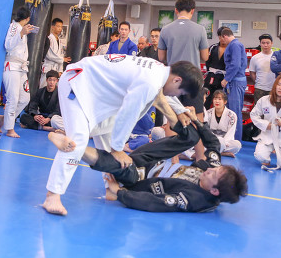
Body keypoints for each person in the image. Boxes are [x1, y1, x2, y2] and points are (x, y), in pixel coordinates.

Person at [42, 55, 203, 216]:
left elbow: (160, 94)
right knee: (79, 139)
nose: (176, 95)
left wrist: (180, 110)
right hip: (77, 83)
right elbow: (127, 115)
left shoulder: (159, 72)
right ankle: (52, 195)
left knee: (106, 139)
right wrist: (117, 149)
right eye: (180, 92)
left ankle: (110, 188)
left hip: (96, 91)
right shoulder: (150, 82)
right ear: (177, 80)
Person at [50, 109, 248, 213]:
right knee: (192, 137)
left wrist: (120, 193)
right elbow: (213, 144)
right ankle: (172, 110)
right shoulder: (217, 171)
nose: (210, 169)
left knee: (122, 165)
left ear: (214, 191)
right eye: (215, 169)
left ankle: (74, 147)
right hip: (154, 160)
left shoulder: (195, 200)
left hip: (139, 178)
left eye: (212, 174)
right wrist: (195, 121)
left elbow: (155, 203)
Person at [158, 0, 210, 158]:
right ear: (192, 11)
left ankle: (173, 160)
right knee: (197, 119)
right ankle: (200, 157)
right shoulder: (200, 29)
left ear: (176, 10)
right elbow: (205, 57)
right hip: (193, 79)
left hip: (172, 80)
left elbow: (161, 57)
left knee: (171, 119)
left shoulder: (165, 29)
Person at [0, 6, 34, 138]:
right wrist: (21, 34)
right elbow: (7, 45)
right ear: (28, 18)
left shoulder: (22, 29)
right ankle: (9, 129)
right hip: (11, 66)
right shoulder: (14, 27)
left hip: (22, 68)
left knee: (25, 99)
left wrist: (23, 33)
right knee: (13, 98)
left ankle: (5, 119)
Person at [219, 27, 247, 142]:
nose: (222, 42)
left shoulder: (234, 45)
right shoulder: (235, 45)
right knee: (231, 111)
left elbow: (235, 64)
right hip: (235, 81)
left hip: (235, 81)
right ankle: (231, 139)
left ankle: (235, 140)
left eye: (222, 39)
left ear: (225, 36)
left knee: (234, 113)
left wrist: (226, 79)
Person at [206, 91, 241, 156]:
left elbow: (230, 133)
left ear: (225, 102)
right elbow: (205, 131)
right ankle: (221, 152)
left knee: (237, 145)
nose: (217, 101)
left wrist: (223, 143)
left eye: (220, 99)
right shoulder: (207, 113)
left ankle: (215, 151)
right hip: (211, 141)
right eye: (215, 99)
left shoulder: (232, 115)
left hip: (224, 142)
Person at [203, 26, 227, 109]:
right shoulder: (213, 47)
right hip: (211, 75)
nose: (222, 38)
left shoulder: (231, 49)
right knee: (206, 97)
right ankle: (204, 115)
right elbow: (207, 61)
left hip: (223, 77)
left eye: (224, 36)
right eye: (221, 36)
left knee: (220, 99)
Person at [39, 18, 68, 86]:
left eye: (61, 27)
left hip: (56, 69)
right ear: (52, 27)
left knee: (55, 89)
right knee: (44, 87)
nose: (60, 28)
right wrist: (62, 59)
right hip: (48, 67)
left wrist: (60, 70)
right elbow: (49, 55)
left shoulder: (60, 41)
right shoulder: (49, 39)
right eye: (58, 26)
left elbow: (61, 55)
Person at [249, 33, 276, 103]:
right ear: (260, 44)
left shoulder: (276, 56)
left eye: (268, 43)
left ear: (272, 43)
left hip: (273, 88)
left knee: (273, 108)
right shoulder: (255, 58)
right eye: (263, 43)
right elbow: (252, 72)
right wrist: (258, 82)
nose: (265, 45)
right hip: (259, 89)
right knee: (259, 108)